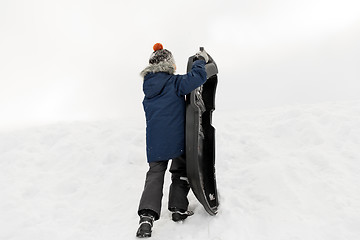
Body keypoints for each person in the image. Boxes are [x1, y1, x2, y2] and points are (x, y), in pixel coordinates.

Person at [136, 43, 209, 238]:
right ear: (170, 65)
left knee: (155, 176)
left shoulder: (148, 88)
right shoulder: (174, 83)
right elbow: (198, 78)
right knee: (180, 170)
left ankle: (146, 218)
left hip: (155, 143)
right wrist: (200, 61)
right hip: (177, 139)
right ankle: (178, 209)